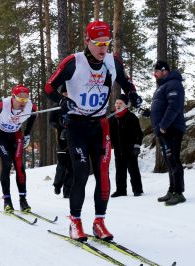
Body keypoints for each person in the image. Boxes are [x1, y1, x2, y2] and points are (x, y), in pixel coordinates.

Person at [44, 20, 142, 241]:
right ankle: (75, 222)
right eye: (98, 43)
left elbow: (126, 83)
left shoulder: (112, 61)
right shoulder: (73, 62)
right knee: (80, 171)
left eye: (106, 43)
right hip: (76, 125)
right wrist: (62, 100)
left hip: (100, 125)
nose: (102, 48)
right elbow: (49, 87)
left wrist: (132, 94)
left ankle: (99, 222)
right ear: (87, 41)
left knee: (103, 175)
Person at [0, 84, 37, 213]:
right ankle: (7, 200)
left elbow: (34, 115)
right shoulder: (2, 105)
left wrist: (27, 134)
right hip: (0, 134)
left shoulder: (30, 106)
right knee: (6, 162)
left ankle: (23, 200)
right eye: (20, 99)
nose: (23, 102)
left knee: (19, 165)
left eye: (25, 99)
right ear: (13, 97)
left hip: (15, 134)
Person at [147, 60, 186, 206]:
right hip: (164, 130)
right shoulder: (163, 86)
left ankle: (179, 192)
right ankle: (172, 190)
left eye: (156, 71)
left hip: (172, 129)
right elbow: (162, 107)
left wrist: (163, 125)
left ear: (164, 71)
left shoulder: (174, 84)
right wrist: (150, 113)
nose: (154, 74)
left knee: (174, 160)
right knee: (170, 162)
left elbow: (174, 107)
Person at [109, 94, 144, 197]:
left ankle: (137, 189)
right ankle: (120, 190)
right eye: (116, 103)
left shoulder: (131, 117)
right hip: (118, 148)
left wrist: (137, 145)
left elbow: (138, 133)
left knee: (133, 169)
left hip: (130, 148)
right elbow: (108, 132)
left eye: (120, 103)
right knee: (120, 170)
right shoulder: (112, 117)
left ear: (125, 105)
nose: (118, 105)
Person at [49, 86, 73, 198]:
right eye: (64, 93)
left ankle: (67, 190)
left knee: (73, 166)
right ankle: (57, 185)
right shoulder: (56, 107)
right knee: (62, 165)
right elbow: (51, 122)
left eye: (68, 93)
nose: (66, 95)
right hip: (61, 139)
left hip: (74, 139)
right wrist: (60, 126)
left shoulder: (75, 105)